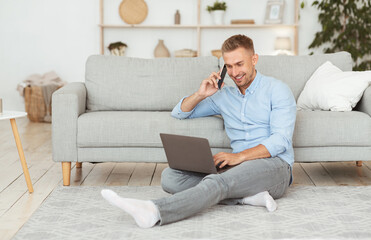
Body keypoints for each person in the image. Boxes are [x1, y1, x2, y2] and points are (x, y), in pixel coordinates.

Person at [101, 34, 297, 228]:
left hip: (275, 166)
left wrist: (239, 157)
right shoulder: (224, 96)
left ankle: (155, 211)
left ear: (254, 59)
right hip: (236, 169)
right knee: (170, 177)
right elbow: (180, 112)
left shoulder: (277, 90)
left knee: (217, 183)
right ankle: (248, 198)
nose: (234, 72)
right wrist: (200, 94)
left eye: (239, 64)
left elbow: (280, 141)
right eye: (228, 66)